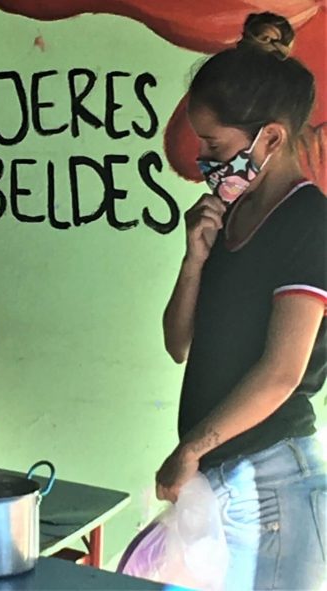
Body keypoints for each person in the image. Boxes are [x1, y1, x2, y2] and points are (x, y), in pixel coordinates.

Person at [157, 12, 326, 590]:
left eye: (214, 144)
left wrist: (190, 448)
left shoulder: (309, 222)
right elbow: (178, 344)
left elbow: (281, 373)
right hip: (223, 474)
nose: (204, 159)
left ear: (271, 137)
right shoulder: (228, 214)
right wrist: (194, 259)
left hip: (274, 478)